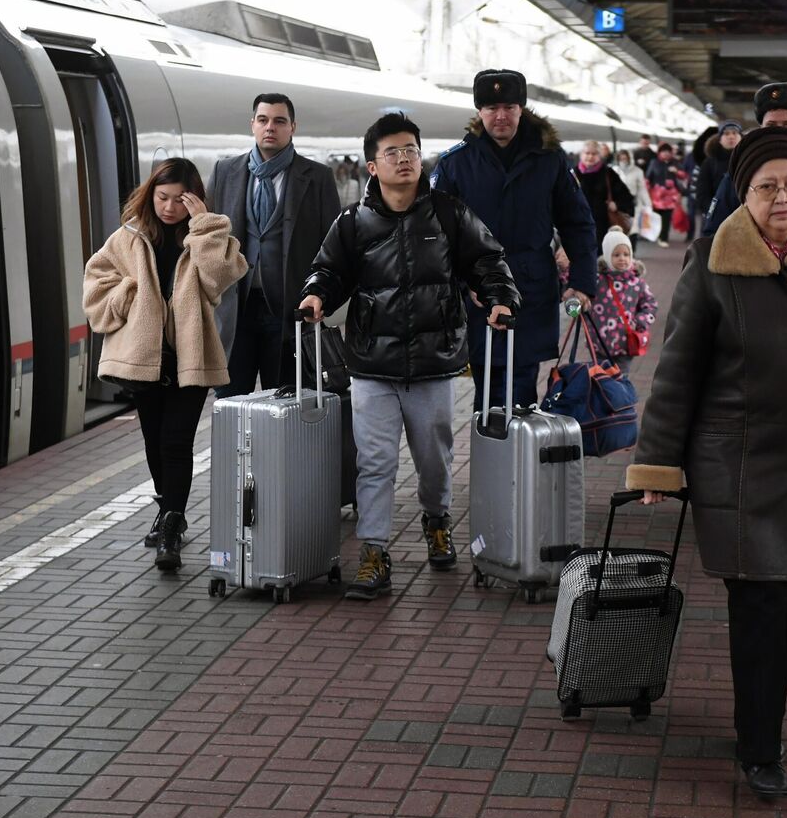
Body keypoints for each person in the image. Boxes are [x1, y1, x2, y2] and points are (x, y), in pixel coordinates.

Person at [626, 126, 787, 800]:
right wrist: (657, 462)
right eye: (768, 185)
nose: (783, 197)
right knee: (761, 608)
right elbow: (678, 370)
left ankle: (762, 720)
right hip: (742, 468)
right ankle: (759, 746)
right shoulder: (712, 260)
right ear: (744, 193)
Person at [299, 113, 519, 600]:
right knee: (374, 462)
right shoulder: (354, 222)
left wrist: (500, 294)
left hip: (433, 361)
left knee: (434, 459)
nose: (404, 159)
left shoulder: (448, 214)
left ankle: (436, 519)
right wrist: (316, 294)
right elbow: (326, 270)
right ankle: (374, 552)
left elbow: (488, 260)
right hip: (372, 365)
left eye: (412, 151)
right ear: (372, 166)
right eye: (393, 152)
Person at [83, 159, 247, 571]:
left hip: (189, 358)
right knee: (155, 444)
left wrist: (204, 226)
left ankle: (171, 526)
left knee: (177, 444)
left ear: (194, 200)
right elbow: (95, 283)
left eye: (179, 199)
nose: (170, 207)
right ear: (149, 194)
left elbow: (221, 278)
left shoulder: (206, 237)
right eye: (162, 198)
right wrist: (127, 293)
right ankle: (167, 507)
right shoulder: (127, 238)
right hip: (144, 362)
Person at [430, 69, 598, 412]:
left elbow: (578, 224)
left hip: (530, 288)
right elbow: (436, 234)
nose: (501, 116)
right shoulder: (456, 164)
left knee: (522, 388)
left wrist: (582, 282)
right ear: (479, 112)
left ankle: (519, 460)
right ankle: (491, 459)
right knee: (487, 385)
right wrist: (463, 279)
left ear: (522, 108)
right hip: (477, 295)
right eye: (491, 108)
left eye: (509, 106)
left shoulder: (549, 160)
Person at [209, 93, 341, 396]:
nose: (271, 127)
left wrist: (322, 295)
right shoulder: (224, 172)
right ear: (252, 125)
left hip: (289, 313)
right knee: (230, 400)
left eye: (279, 121)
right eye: (263, 120)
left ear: (292, 127)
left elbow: (332, 247)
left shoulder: (318, 177)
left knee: (285, 402)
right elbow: (209, 238)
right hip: (235, 309)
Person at [701, 81, 787, 235]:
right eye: (771, 125)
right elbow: (715, 233)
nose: (779, 132)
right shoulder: (740, 175)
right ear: (762, 128)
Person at [585, 227, 656, 377]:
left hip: (625, 345)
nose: (622, 258)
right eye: (616, 255)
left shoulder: (637, 283)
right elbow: (582, 296)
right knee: (600, 380)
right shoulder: (597, 280)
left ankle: (618, 400)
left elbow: (650, 305)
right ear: (607, 257)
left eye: (626, 254)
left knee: (620, 380)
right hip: (598, 344)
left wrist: (639, 321)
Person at [575, 139, 635, 244]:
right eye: (587, 153)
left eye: (594, 153)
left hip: (602, 224)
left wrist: (617, 205)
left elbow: (626, 196)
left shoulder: (608, 174)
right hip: (577, 223)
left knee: (599, 254)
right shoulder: (572, 173)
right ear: (581, 154)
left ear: (599, 155)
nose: (590, 156)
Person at [694, 121, 741, 223]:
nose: (731, 137)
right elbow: (702, 192)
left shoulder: (749, 160)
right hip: (716, 218)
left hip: (744, 217)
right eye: (726, 133)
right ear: (719, 139)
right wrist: (711, 212)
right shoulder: (709, 163)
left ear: (741, 137)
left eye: (735, 133)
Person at [645, 142, 682, 247]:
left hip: (670, 196)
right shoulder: (654, 163)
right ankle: (657, 235)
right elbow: (648, 177)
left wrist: (677, 172)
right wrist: (647, 192)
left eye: (668, 151)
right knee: (657, 217)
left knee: (667, 217)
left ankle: (664, 238)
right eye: (663, 151)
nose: (665, 153)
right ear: (659, 153)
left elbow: (684, 176)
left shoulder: (675, 163)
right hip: (657, 196)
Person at [612, 149, 648, 240]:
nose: (623, 160)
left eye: (625, 158)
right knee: (620, 225)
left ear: (629, 158)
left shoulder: (638, 171)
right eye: (621, 158)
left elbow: (642, 189)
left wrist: (648, 203)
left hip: (633, 202)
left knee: (633, 227)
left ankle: (632, 249)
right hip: (618, 203)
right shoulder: (613, 171)